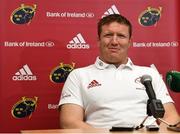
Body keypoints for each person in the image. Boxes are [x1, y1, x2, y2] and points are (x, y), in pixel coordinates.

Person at [58, 14, 179, 129]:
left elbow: (171, 117)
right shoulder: (79, 75)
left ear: (130, 41)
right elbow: (70, 122)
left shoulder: (149, 75)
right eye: (108, 35)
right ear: (99, 40)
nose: (114, 42)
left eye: (121, 36)